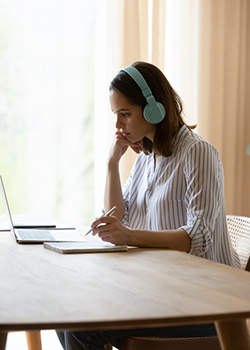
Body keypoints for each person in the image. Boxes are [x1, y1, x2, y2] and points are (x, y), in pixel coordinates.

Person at [57, 61, 241, 350]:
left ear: (155, 108)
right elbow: (120, 215)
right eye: (116, 115)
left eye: (125, 114)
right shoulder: (146, 155)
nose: (118, 126)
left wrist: (128, 236)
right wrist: (111, 163)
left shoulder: (198, 153)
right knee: (68, 312)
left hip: (209, 301)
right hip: (161, 289)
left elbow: (200, 236)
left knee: (82, 328)